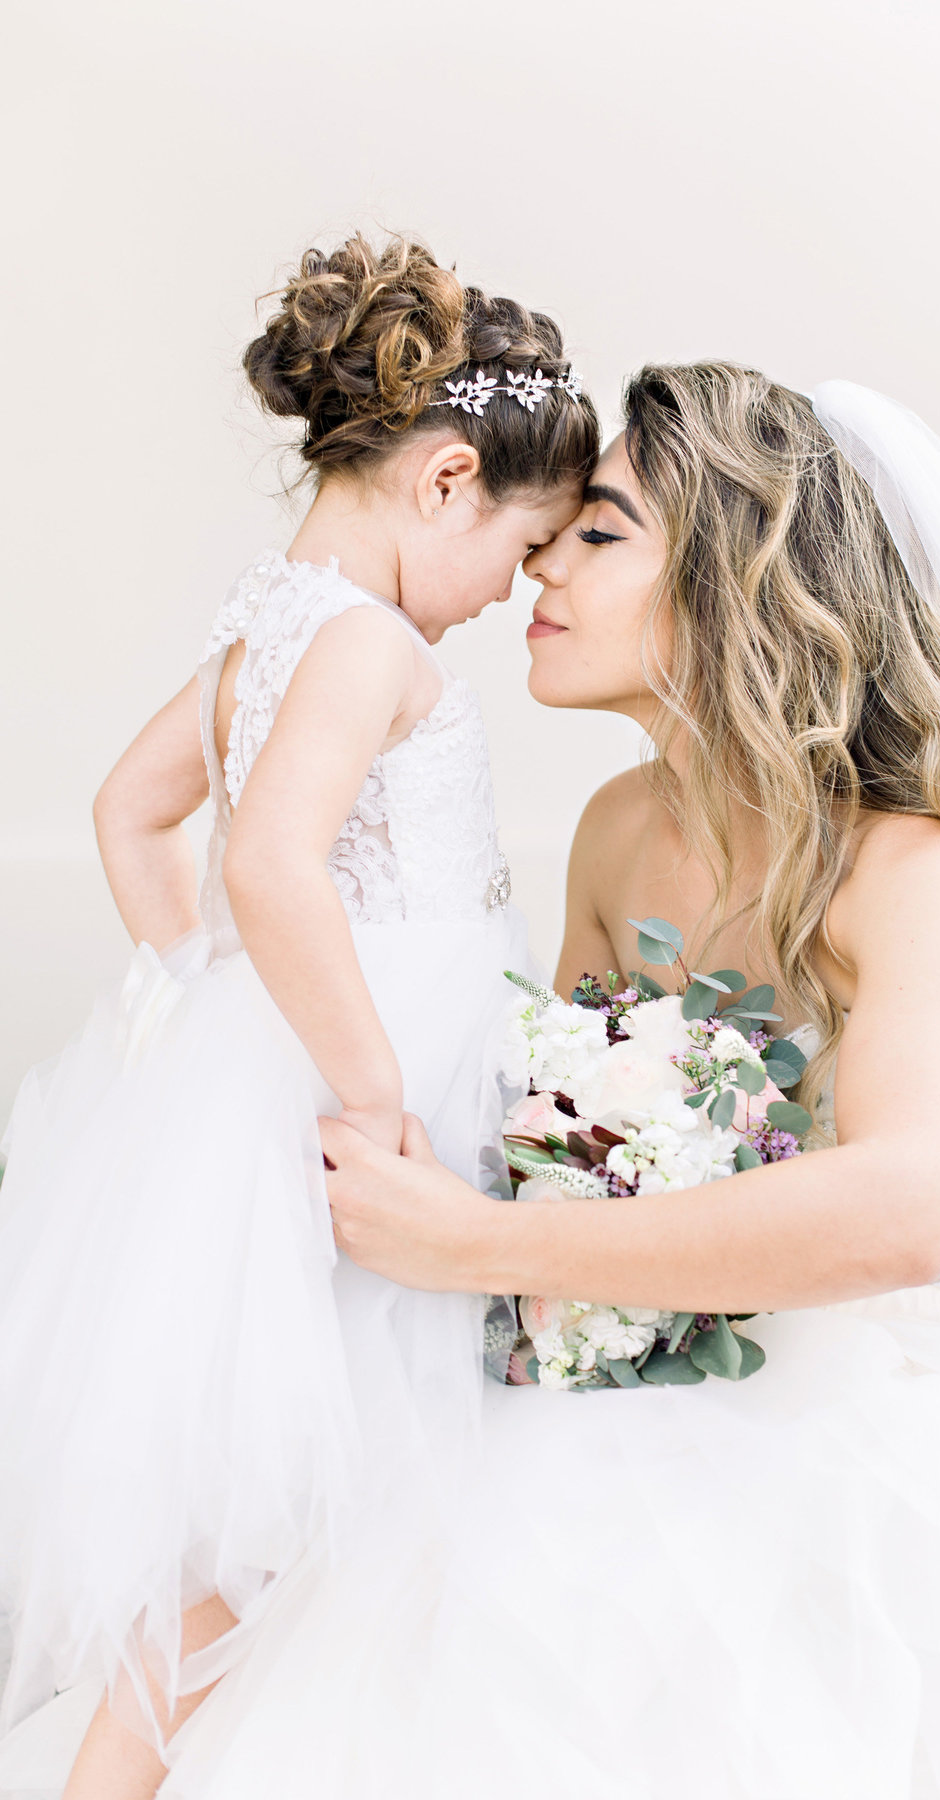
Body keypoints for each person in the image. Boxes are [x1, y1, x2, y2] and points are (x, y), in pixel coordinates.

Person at [4, 363, 940, 1799]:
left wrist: (484, 1243)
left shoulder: (920, 870)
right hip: (608, 1354)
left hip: (859, 1400)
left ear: (739, 584)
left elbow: (904, 1212)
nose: (542, 565)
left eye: (602, 533)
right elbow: (552, 1145)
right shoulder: (617, 829)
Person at [0, 231, 598, 1799]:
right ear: (447, 478)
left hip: (279, 1081)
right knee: (275, 1530)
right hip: (366, 1100)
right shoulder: (367, 639)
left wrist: (222, 1013)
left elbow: (133, 816)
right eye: (520, 549)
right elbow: (264, 860)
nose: (508, 595)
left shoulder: (260, 630)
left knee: (271, 1528)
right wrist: (366, 1079)